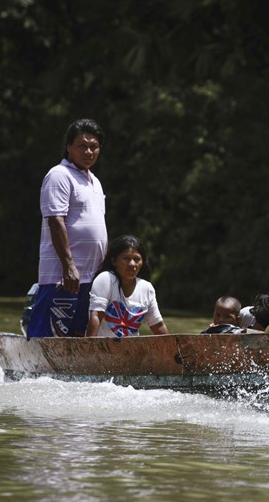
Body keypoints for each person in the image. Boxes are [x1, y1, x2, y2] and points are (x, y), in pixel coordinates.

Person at [25, 119, 108, 337]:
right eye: (82, 145)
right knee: (50, 334)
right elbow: (55, 220)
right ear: (69, 147)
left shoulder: (95, 181)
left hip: (90, 277)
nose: (88, 151)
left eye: (94, 146)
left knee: (78, 334)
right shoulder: (59, 175)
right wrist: (69, 266)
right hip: (63, 276)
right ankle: (34, 370)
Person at [85, 235, 170, 338]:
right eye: (126, 259)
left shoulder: (147, 288)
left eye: (137, 259)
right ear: (114, 261)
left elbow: (157, 325)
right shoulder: (105, 279)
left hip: (131, 351)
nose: (132, 264)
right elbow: (96, 316)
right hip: (103, 350)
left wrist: (174, 351)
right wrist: (89, 348)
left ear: (142, 262)